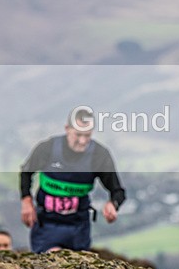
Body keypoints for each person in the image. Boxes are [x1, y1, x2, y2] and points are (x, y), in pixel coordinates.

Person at [20, 108, 125, 253]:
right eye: (78, 135)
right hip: (47, 223)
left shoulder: (99, 155)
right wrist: (26, 201)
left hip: (78, 226)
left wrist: (113, 204)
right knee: (52, 264)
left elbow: (117, 191)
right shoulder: (48, 148)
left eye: (87, 135)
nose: (82, 141)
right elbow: (26, 172)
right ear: (67, 129)